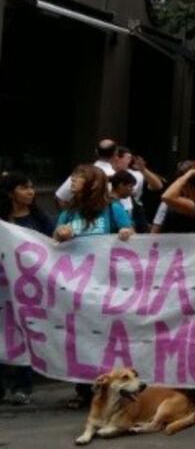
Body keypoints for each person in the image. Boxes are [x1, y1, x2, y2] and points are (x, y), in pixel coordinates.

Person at [53, 164, 134, 410]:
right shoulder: (70, 210)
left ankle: (108, 387)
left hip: (105, 285)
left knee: (103, 338)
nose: (73, 181)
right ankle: (83, 389)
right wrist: (61, 233)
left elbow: (130, 231)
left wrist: (125, 232)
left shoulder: (112, 208)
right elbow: (55, 235)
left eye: (78, 177)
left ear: (92, 183)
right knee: (80, 337)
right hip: (77, 287)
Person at [0, 172, 54, 405]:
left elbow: (53, 244)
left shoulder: (39, 219)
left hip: (28, 290)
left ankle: (23, 386)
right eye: (24, 187)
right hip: (3, 288)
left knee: (25, 333)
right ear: (11, 193)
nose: (31, 192)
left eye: (32, 187)